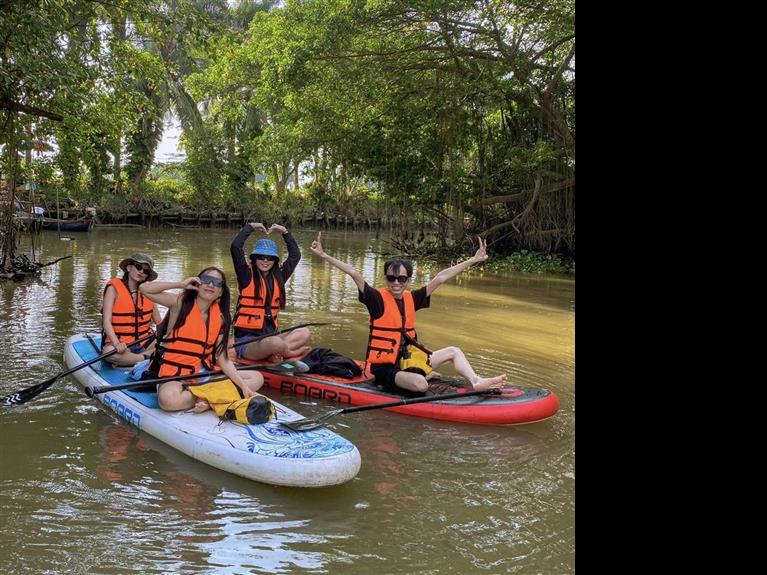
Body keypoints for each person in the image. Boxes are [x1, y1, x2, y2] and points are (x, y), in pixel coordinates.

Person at [310, 232, 507, 394]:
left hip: (409, 360)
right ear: (386, 279)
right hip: (385, 369)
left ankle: (476, 381)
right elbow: (354, 272)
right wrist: (324, 255)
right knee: (420, 385)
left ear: (408, 280)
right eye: (391, 278)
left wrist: (473, 260)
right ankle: (422, 375)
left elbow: (440, 278)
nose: (396, 283)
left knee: (454, 351)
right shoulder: (376, 299)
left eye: (401, 279)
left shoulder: (412, 299)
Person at [139, 267, 264, 413]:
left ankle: (207, 399)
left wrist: (244, 387)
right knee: (168, 401)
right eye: (206, 280)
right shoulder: (179, 304)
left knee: (257, 378)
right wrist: (181, 285)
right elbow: (144, 288)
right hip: (176, 374)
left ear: (221, 292)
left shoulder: (221, 318)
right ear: (197, 283)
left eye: (217, 283)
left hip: (204, 373)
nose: (211, 284)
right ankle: (213, 397)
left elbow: (223, 359)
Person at [230, 222, 311, 362]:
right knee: (275, 343)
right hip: (246, 343)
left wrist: (285, 232)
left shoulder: (279, 277)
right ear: (254, 258)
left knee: (304, 332)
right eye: (261, 257)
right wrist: (250, 227)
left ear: (275, 260)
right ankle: (289, 353)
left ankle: (276, 353)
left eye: (270, 258)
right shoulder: (246, 275)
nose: (265, 261)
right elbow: (235, 247)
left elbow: (295, 256)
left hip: (270, 337)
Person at [101, 252, 163, 366]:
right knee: (109, 353)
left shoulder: (149, 292)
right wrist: (116, 343)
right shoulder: (113, 288)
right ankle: (147, 358)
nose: (141, 272)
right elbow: (106, 321)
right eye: (139, 267)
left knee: (168, 345)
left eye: (146, 271)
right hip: (121, 343)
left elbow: (159, 323)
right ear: (129, 267)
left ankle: (137, 358)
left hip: (146, 341)